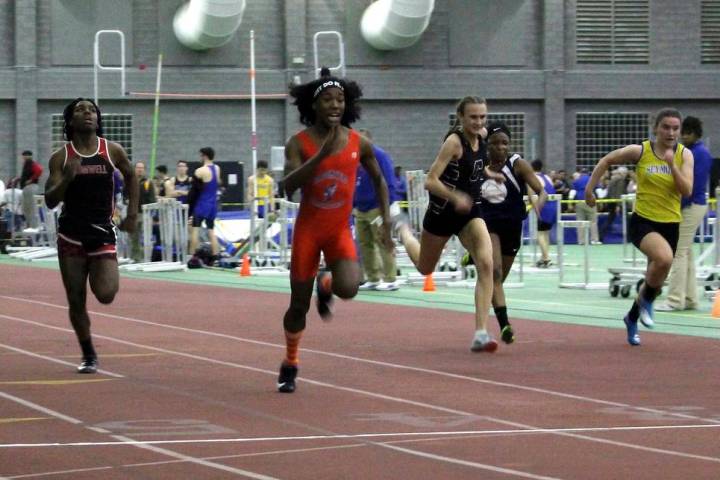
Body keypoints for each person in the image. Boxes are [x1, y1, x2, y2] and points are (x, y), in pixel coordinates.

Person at [277, 68, 393, 393]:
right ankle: (290, 362)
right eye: (327, 99)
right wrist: (322, 156)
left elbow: (380, 180)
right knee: (298, 307)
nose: (334, 105)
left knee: (349, 288)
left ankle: (325, 282)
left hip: (339, 229)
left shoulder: (359, 142)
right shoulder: (298, 143)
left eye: (340, 99)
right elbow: (287, 186)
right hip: (308, 233)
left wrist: (386, 220)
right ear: (313, 106)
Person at [395, 96, 497, 352]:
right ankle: (403, 230)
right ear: (461, 117)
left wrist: (491, 175)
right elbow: (430, 181)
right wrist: (454, 196)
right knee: (424, 267)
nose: (478, 121)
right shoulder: (453, 143)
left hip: (470, 212)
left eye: (482, 116)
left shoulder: (483, 137)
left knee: (486, 263)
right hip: (443, 212)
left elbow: (476, 166)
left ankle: (481, 333)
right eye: (473, 117)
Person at [44, 98, 138, 373]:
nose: (87, 113)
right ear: (70, 121)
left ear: (98, 120)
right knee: (76, 299)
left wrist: (133, 214)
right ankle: (88, 353)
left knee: (106, 294)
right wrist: (67, 179)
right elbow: (50, 200)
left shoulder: (112, 150)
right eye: (80, 110)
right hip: (71, 236)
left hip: (102, 233)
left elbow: (131, 176)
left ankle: (89, 348)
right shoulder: (61, 157)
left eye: (92, 110)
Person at [585, 108, 693, 346]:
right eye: (666, 127)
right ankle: (646, 301)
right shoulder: (641, 151)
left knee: (655, 277)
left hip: (671, 223)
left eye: (675, 128)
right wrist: (589, 189)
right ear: (656, 128)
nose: (671, 132)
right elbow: (606, 160)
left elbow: (686, 190)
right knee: (663, 260)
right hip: (643, 221)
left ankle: (632, 317)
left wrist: (671, 166)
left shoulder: (684, 156)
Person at [473, 123, 547, 344]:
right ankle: (505, 324)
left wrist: (538, 206)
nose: (500, 147)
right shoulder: (479, 165)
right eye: (495, 143)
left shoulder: (518, 164)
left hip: (513, 226)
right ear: (488, 145)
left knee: (498, 280)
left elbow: (541, 191)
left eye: (505, 143)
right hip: (488, 226)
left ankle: (474, 260)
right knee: (493, 273)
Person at [656, 116, 713, 311]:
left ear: (695, 134)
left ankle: (674, 300)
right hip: (691, 204)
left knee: (677, 253)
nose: (682, 136)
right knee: (686, 253)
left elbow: (692, 185)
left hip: (691, 205)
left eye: (686, 133)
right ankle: (689, 299)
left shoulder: (699, 153)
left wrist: (676, 206)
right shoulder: (692, 152)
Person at [354, 128, 399, 291]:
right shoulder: (356, 158)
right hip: (361, 208)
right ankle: (373, 277)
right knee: (365, 244)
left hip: (377, 208)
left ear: (369, 141)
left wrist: (386, 209)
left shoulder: (380, 155)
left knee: (383, 241)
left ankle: (390, 278)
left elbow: (389, 181)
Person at [189, 147, 221, 258]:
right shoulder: (217, 168)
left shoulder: (200, 171)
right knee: (211, 230)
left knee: (195, 229)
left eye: (201, 156)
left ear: (205, 156)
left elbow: (194, 191)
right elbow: (217, 183)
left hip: (202, 204)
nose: (200, 158)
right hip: (213, 204)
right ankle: (216, 255)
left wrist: (190, 206)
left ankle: (192, 255)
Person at [129, 161, 157, 262]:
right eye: (138, 167)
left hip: (145, 213)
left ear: (144, 170)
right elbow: (125, 195)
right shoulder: (130, 181)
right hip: (132, 213)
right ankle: (136, 257)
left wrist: (152, 214)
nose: (140, 169)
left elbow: (153, 199)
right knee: (134, 236)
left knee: (146, 236)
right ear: (135, 169)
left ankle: (146, 257)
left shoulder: (148, 183)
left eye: (142, 168)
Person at [531, 159, 557, 267]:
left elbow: (533, 194)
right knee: (545, 233)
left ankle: (546, 258)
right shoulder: (547, 177)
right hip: (553, 206)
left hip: (543, 207)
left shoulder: (534, 178)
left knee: (540, 233)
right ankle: (544, 256)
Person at [599, 166, 629, 242]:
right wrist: (618, 205)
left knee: (610, 219)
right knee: (627, 219)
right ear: (623, 173)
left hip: (611, 202)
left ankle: (601, 235)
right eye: (625, 173)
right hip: (618, 202)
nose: (626, 175)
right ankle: (629, 237)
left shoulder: (613, 179)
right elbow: (619, 193)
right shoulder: (620, 180)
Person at [573, 168, 601, 244]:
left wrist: (570, 203)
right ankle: (594, 240)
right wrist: (600, 201)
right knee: (593, 221)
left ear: (581, 173)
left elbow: (572, 192)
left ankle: (581, 241)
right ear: (588, 173)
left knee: (580, 221)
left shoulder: (577, 181)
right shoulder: (592, 179)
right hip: (590, 200)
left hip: (579, 201)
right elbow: (599, 191)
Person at [20, 150, 43, 229]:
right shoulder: (27, 164)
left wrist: (31, 179)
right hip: (27, 188)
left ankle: (33, 226)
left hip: (31, 187)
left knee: (31, 207)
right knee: (26, 208)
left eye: (24, 156)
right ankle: (29, 225)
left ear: (28, 156)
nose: (23, 157)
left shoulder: (31, 163)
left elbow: (39, 170)